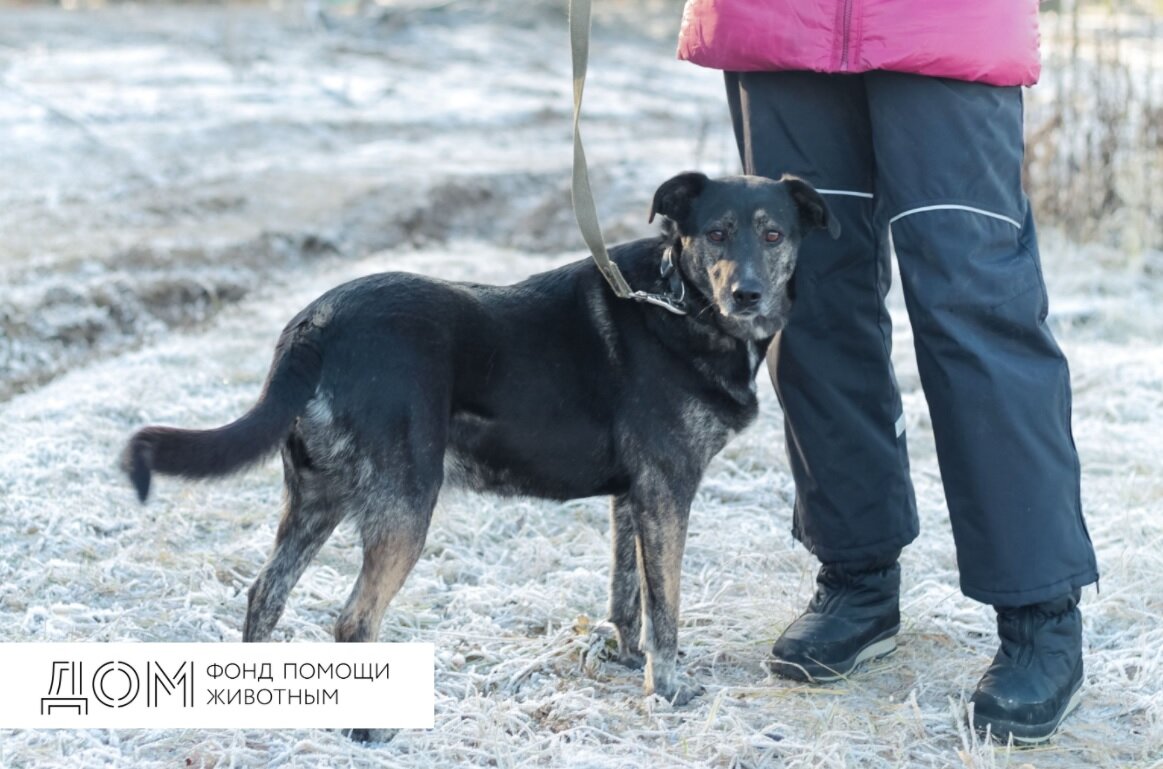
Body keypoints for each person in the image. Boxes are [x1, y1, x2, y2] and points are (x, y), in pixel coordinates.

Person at [675, 0, 1099, 743]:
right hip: (780, 23)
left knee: (975, 306)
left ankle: (1041, 613)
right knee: (805, 303)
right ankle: (856, 575)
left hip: (943, 22)